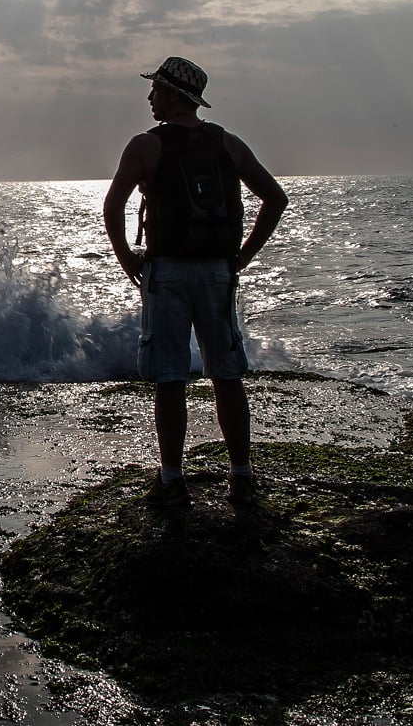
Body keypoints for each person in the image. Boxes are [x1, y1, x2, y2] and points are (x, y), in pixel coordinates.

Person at [103, 56, 288, 506]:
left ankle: (172, 479)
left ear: (172, 95)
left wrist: (126, 256)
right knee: (226, 375)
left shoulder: (146, 146)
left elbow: (113, 205)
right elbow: (275, 199)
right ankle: (241, 475)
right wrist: (243, 256)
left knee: (170, 378)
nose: (150, 97)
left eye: (156, 89)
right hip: (218, 272)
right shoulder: (228, 143)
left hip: (166, 271)